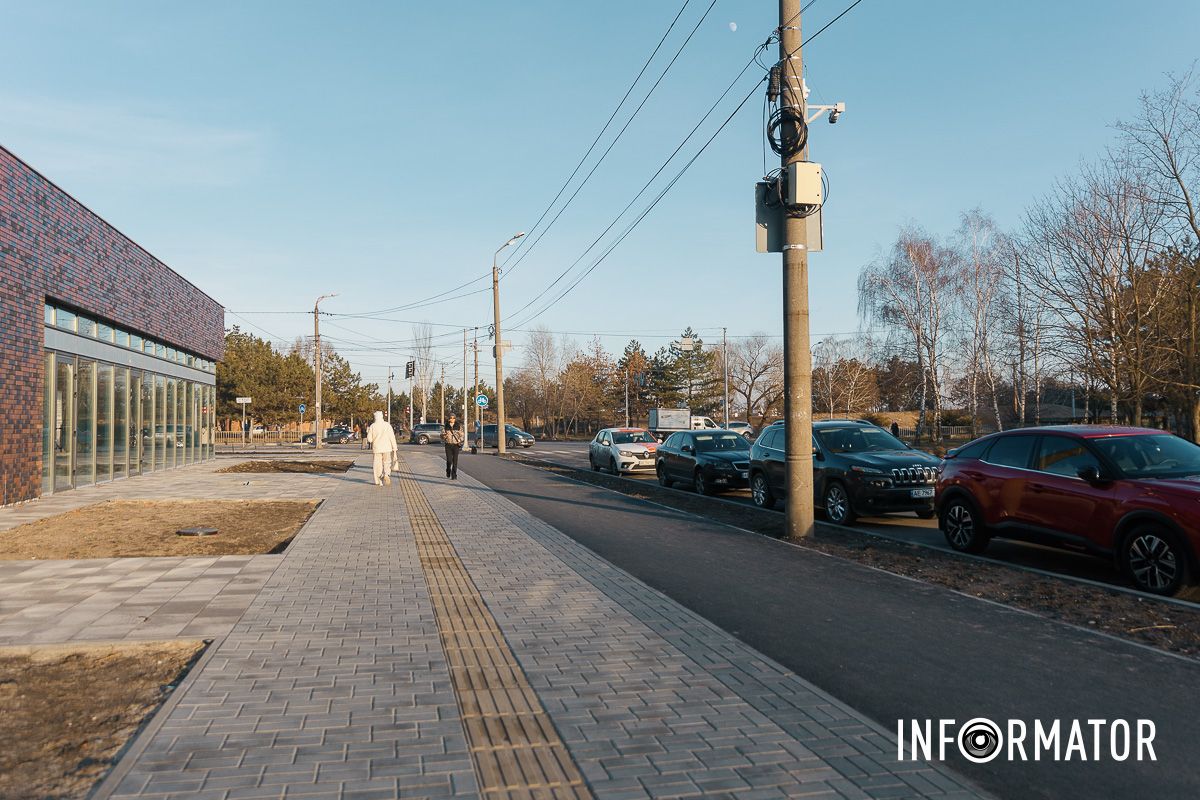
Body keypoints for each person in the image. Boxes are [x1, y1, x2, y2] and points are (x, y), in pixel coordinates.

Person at [365, 410, 398, 486]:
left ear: (375, 417)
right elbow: (392, 437)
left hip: (377, 448)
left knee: (377, 465)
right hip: (387, 448)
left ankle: (378, 481)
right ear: (382, 416)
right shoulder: (387, 425)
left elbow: (369, 439)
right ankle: (386, 474)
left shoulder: (373, 426)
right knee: (387, 462)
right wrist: (394, 448)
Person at [443, 413, 464, 479]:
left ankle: (454, 475)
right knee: (449, 460)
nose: (452, 419)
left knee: (455, 461)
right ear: (449, 419)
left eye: (453, 418)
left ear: (455, 419)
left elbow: (462, 435)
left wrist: (459, 440)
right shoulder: (446, 425)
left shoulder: (459, 426)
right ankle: (448, 470)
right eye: (451, 418)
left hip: (456, 445)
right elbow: (441, 434)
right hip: (448, 445)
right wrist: (444, 436)